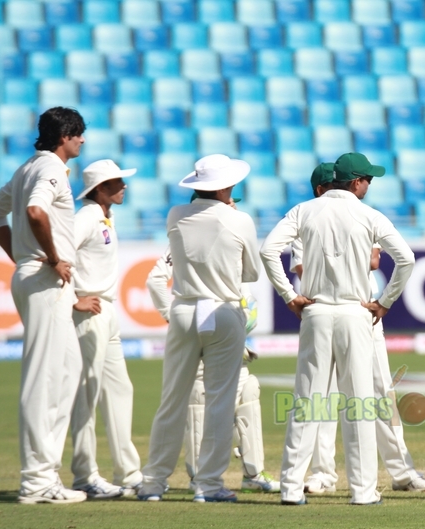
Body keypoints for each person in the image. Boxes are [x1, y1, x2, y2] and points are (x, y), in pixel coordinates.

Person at [260, 152, 415, 506]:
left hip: (314, 311)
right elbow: (406, 258)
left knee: (307, 402)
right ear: (356, 182)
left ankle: (290, 488)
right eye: (368, 180)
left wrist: (289, 295)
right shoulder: (368, 214)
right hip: (354, 312)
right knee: (358, 403)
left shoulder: (305, 209)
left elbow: (269, 251)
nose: (369, 185)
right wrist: (385, 301)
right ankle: (362, 491)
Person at [290, 164, 425, 495]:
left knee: (382, 392)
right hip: (328, 312)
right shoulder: (306, 223)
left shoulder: (358, 214)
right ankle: (322, 473)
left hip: (363, 313)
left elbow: (374, 261)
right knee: (322, 398)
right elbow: (308, 266)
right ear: (319, 191)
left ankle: (402, 471)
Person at [138, 154, 260, 502]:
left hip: (183, 308)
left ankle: (152, 483)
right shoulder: (241, 220)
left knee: (172, 400)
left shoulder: (176, 215)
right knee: (220, 402)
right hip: (222, 309)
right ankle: (208, 484)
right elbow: (250, 274)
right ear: (223, 186)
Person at [0, 107, 87, 504]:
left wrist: (22, 256)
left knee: (66, 370)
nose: (82, 141)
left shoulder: (24, 169)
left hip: (37, 274)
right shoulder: (50, 170)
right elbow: (34, 212)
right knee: (44, 377)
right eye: (78, 134)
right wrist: (51, 257)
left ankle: (45, 475)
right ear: (65, 135)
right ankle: (36, 481)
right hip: (45, 277)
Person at [145, 223, 278, 494]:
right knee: (199, 397)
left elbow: (248, 287)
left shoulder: (232, 231)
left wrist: (241, 319)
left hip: (231, 329)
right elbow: (155, 279)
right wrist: (172, 315)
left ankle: (253, 473)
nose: (230, 205)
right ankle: (199, 478)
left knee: (248, 391)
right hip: (206, 325)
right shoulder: (185, 238)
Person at [68, 160, 142, 499]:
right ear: (99, 188)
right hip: (90, 311)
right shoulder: (85, 218)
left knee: (119, 389)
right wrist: (73, 299)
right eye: (116, 182)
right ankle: (85, 475)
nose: (123, 186)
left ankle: (128, 472)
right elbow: (55, 255)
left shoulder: (103, 216)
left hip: (107, 311)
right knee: (88, 392)